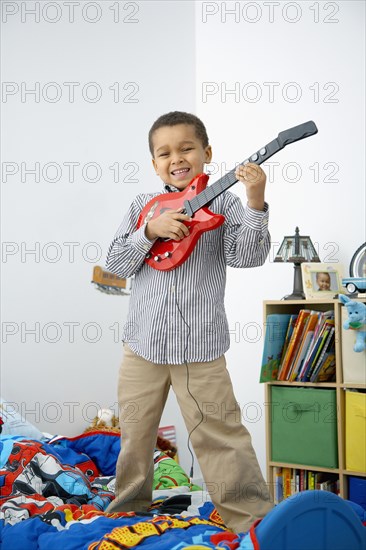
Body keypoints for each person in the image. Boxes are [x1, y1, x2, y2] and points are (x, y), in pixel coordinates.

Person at [105, 111, 273, 533]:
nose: (176, 158)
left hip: (199, 347)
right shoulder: (142, 206)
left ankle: (252, 522)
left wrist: (255, 200)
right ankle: (126, 514)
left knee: (221, 436)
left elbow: (246, 256)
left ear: (207, 153)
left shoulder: (225, 202)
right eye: (164, 153)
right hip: (142, 343)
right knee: (135, 437)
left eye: (186, 148)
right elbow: (115, 263)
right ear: (154, 163)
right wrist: (149, 231)